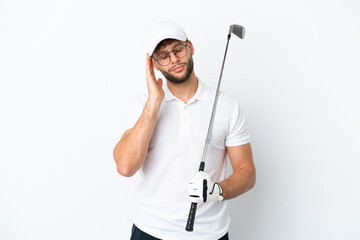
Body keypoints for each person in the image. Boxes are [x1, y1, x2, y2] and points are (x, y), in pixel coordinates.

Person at [113, 20, 256, 240]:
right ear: (154, 64)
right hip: (150, 231)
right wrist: (154, 102)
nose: (174, 60)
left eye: (178, 49)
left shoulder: (227, 106)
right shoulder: (142, 105)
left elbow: (247, 172)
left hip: (209, 234)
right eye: (163, 56)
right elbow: (125, 166)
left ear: (190, 47)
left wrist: (218, 191)